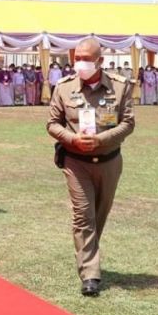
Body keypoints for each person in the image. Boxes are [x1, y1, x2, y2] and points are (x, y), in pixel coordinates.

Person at [47, 38, 135, 296]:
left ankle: (89, 257)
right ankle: (90, 274)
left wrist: (101, 140)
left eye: (86, 58)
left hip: (109, 162)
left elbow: (128, 123)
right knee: (83, 216)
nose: (80, 63)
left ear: (100, 61)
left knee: (98, 216)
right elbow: (53, 123)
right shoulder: (63, 87)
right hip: (77, 163)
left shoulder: (119, 87)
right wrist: (73, 139)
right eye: (77, 58)